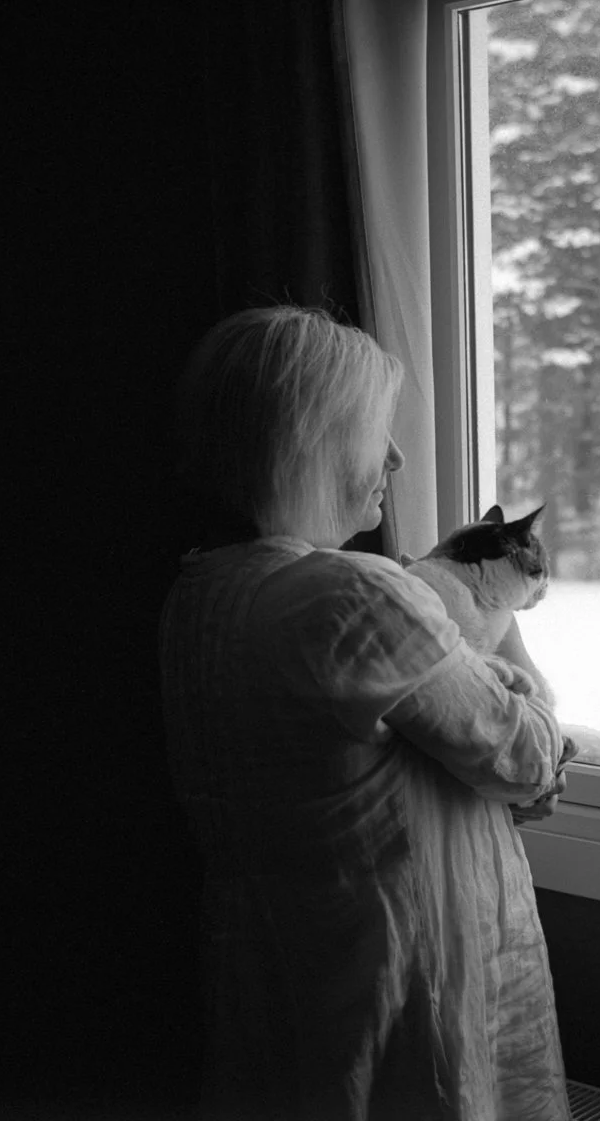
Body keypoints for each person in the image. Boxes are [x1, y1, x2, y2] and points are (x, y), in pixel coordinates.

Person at [159, 305, 571, 1121]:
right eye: (372, 432)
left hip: (276, 965)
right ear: (309, 441)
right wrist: (506, 646)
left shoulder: (198, 594)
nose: (397, 457)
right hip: (404, 976)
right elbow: (525, 758)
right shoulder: (354, 593)